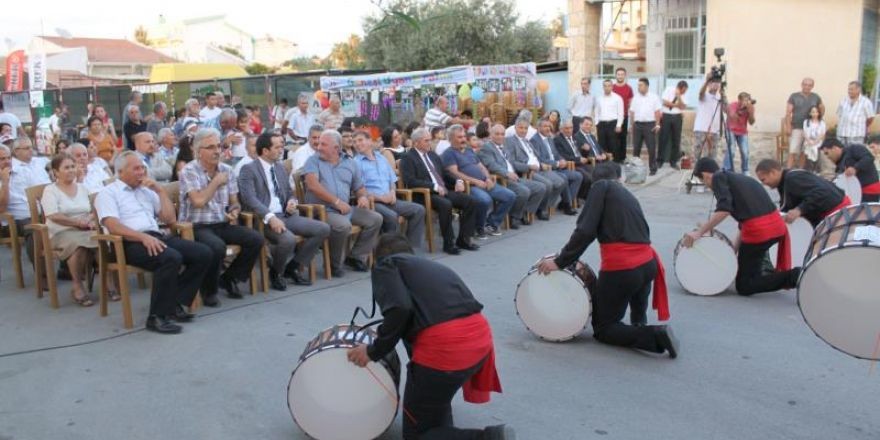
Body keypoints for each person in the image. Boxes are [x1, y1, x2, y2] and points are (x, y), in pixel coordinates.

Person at [346, 234, 510, 440]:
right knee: (434, 402)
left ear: (378, 256)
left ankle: (489, 437)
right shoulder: (428, 267)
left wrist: (373, 351)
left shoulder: (386, 265)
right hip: (480, 340)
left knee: (416, 435)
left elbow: (400, 309)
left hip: (447, 347)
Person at [537, 162, 677, 357]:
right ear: (619, 178)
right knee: (636, 307)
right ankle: (640, 326)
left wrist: (560, 261)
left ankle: (655, 335)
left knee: (604, 328)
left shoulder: (600, 187)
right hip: (648, 264)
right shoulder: (626, 194)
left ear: (594, 180)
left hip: (625, 268)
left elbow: (585, 231)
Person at [96, 150, 213, 334]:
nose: (141, 172)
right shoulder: (108, 193)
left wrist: (160, 191)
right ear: (120, 172)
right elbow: (113, 226)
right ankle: (157, 317)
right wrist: (142, 237)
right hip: (128, 242)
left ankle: (174, 303)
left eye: (143, 168)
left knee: (203, 253)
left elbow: (169, 219)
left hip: (156, 236)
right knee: (170, 258)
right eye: (136, 168)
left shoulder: (147, 191)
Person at [683, 158, 801, 296]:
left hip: (760, 232)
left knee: (745, 286)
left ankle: (795, 276)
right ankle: (775, 274)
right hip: (776, 228)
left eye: (703, 181)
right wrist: (733, 250)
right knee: (749, 271)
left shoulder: (717, 178)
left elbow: (724, 210)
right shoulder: (737, 178)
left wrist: (699, 232)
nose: (707, 186)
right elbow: (744, 222)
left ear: (705, 175)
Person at [178, 128, 265, 306]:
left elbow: (234, 202)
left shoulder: (227, 170)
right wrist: (216, 181)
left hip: (221, 223)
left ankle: (229, 278)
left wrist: (234, 210)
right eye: (210, 147)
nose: (217, 151)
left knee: (256, 239)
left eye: (218, 146)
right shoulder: (189, 171)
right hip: (196, 226)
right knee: (217, 247)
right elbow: (198, 201)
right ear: (198, 151)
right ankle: (209, 290)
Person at [238, 132, 329, 289]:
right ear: (265, 151)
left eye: (282, 147)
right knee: (288, 240)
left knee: (323, 228)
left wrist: (292, 202)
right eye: (277, 147)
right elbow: (249, 199)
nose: (282, 150)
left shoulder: (280, 168)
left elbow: (289, 193)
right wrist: (270, 217)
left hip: (285, 215)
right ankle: (276, 272)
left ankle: (292, 267)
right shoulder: (248, 169)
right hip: (263, 219)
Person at [302, 129, 383, 275]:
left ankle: (355, 257)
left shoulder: (350, 163)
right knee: (342, 225)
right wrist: (336, 202)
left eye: (323, 144)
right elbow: (313, 185)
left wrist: (362, 197)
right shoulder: (313, 161)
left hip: (345, 209)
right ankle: (334, 264)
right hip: (323, 210)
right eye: (319, 143)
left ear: (336, 148)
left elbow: (359, 187)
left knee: (375, 219)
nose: (319, 147)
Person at [41, 154, 101, 306]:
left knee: (102, 240)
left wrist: (89, 219)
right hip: (61, 231)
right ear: (56, 172)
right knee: (78, 246)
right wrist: (77, 223)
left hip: (84, 228)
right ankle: (77, 285)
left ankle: (109, 282)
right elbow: (53, 215)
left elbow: (92, 210)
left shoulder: (82, 187)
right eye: (66, 167)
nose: (71, 170)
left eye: (73, 166)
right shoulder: (50, 190)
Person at [353, 131, 426, 248]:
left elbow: (392, 181)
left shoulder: (381, 158)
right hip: (373, 202)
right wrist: (381, 198)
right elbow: (359, 189)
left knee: (418, 210)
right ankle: (391, 251)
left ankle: (411, 248)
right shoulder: (356, 163)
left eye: (360, 140)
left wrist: (392, 193)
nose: (357, 144)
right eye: (355, 142)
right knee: (391, 216)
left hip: (390, 199)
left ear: (370, 141)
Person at [443, 124, 516, 238]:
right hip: (470, 186)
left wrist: (487, 178)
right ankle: (479, 228)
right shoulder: (449, 153)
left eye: (464, 136)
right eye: (459, 137)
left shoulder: (469, 150)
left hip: (484, 182)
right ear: (451, 139)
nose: (463, 139)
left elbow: (481, 166)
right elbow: (455, 173)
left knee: (510, 196)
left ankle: (491, 224)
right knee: (485, 200)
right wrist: (476, 182)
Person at [478, 124, 546, 228]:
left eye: (502, 134)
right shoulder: (486, 148)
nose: (500, 136)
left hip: (515, 177)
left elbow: (513, 163)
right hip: (502, 179)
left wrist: (528, 167)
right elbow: (492, 165)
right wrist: (506, 173)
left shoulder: (504, 146)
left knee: (540, 187)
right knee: (524, 191)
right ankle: (514, 217)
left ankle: (522, 212)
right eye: (497, 134)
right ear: (491, 135)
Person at [754, 159, 849, 227]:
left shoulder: (793, 178)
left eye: (763, 179)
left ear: (773, 172)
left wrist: (799, 209)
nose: (764, 184)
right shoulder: (784, 182)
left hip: (837, 213)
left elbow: (822, 192)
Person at [505, 118, 566, 220]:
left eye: (525, 128)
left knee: (561, 182)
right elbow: (512, 162)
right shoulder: (510, 141)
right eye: (521, 128)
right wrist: (528, 167)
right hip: (528, 171)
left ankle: (541, 206)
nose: (523, 130)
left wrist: (542, 164)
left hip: (540, 168)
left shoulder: (527, 141)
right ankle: (534, 210)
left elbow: (536, 157)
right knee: (547, 185)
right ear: (515, 128)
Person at [8, 137, 51, 264]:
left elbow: (55, 161)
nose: (31, 150)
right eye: (27, 148)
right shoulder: (10, 167)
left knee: (71, 221)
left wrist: (52, 170)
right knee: (34, 230)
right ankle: (41, 272)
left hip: (47, 209)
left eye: (31, 147)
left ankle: (66, 269)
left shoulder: (38, 162)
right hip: (23, 214)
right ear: (16, 151)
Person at [531, 118, 584, 211]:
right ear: (538, 128)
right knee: (564, 178)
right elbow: (540, 159)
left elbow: (556, 154)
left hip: (557, 167)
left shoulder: (549, 138)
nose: (548, 128)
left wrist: (561, 160)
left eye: (549, 126)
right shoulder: (534, 140)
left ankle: (565, 202)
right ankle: (567, 205)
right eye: (545, 126)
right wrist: (557, 163)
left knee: (578, 176)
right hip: (547, 169)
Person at [820, 138, 880, 202]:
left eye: (827, 153)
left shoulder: (854, 149)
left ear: (835, 148)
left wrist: (855, 168)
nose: (827, 157)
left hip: (869, 191)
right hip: (854, 194)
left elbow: (868, 158)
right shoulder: (839, 165)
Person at [785, 78, 824, 169]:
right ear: (801, 85)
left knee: (804, 151)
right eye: (805, 84)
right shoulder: (794, 96)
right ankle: (788, 170)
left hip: (810, 128)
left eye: (809, 85)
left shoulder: (816, 97)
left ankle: (800, 170)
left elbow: (821, 108)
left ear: (812, 86)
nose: (807, 87)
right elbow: (788, 113)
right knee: (793, 151)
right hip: (797, 127)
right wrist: (788, 127)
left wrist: (819, 120)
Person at [555, 118, 597, 201]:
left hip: (582, 163)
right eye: (566, 128)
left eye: (571, 128)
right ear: (561, 129)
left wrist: (586, 150)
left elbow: (582, 154)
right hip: (572, 164)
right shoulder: (557, 140)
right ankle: (580, 197)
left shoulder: (574, 138)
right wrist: (578, 159)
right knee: (586, 177)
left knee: (597, 173)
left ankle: (588, 196)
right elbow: (562, 156)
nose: (569, 130)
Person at [628, 77, 662, 175]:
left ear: (647, 86)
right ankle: (635, 169)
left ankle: (653, 168)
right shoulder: (635, 98)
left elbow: (657, 111)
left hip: (649, 125)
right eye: (638, 85)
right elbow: (632, 112)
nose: (639, 87)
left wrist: (658, 124)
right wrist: (631, 125)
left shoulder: (654, 97)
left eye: (641, 85)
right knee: (636, 149)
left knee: (651, 148)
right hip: (637, 125)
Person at [724, 92, 756, 175]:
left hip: (742, 131)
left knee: (745, 151)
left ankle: (745, 170)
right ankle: (727, 169)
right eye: (745, 100)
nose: (746, 102)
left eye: (748, 100)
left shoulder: (750, 107)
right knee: (731, 149)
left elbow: (751, 122)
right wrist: (742, 109)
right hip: (731, 130)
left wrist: (750, 112)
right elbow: (733, 117)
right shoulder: (733, 105)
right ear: (739, 100)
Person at [836, 80, 875, 146]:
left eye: (851, 89)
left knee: (855, 152)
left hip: (856, 135)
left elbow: (870, 118)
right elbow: (840, 114)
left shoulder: (866, 102)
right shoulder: (843, 101)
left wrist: (865, 125)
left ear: (858, 90)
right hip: (842, 134)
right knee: (842, 152)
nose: (849, 91)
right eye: (849, 89)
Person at [659, 80, 688, 169]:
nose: (684, 92)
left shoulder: (683, 95)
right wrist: (676, 105)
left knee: (676, 139)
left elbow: (683, 106)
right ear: (679, 87)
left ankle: (673, 161)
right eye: (683, 90)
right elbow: (664, 102)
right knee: (663, 138)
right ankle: (660, 160)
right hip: (666, 115)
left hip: (677, 117)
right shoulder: (669, 89)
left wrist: (679, 96)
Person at [693, 76, 723, 163]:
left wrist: (723, 94)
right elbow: (701, 93)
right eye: (713, 82)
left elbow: (726, 110)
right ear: (709, 84)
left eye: (718, 82)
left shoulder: (720, 97)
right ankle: (698, 169)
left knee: (712, 155)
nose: (716, 84)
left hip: (715, 129)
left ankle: (711, 170)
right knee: (699, 153)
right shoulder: (704, 95)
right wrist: (706, 81)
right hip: (701, 128)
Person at [595, 79, 624, 163]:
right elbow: (596, 111)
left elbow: (621, 113)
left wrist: (619, 125)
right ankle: (604, 163)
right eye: (605, 86)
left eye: (609, 86)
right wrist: (597, 123)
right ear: (603, 87)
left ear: (612, 87)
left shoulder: (618, 98)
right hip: (601, 124)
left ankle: (615, 163)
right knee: (602, 144)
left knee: (614, 144)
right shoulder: (599, 98)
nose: (607, 87)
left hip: (613, 124)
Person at [612, 68, 634, 161]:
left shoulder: (629, 88)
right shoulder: (612, 87)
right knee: (613, 138)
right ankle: (614, 158)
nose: (620, 76)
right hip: (613, 117)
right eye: (618, 74)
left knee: (623, 138)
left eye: (622, 74)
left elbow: (630, 103)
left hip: (624, 116)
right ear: (616, 75)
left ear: (625, 76)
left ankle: (622, 158)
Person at [802, 106, 828, 176]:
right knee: (810, 148)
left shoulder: (822, 122)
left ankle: (816, 169)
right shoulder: (806, 122)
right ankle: (810, 169)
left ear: (818, 113)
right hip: (808, 141)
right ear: (810, 113)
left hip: (817, 141)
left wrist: (815, 142)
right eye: (813, 112)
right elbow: (804, 133)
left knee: (815, 148)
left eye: (816, 112)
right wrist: (809, 141)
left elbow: (822, 134)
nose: (814, 114)